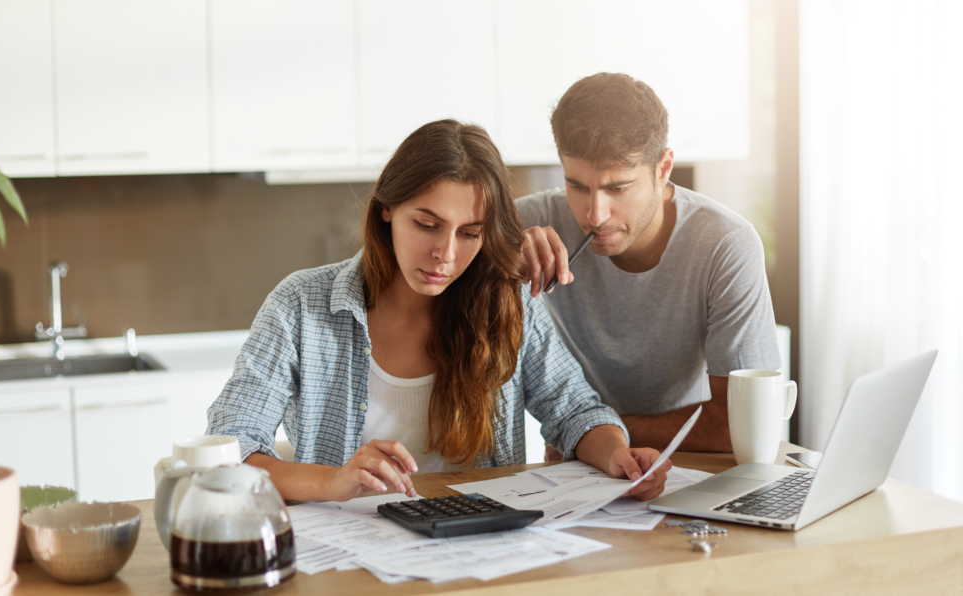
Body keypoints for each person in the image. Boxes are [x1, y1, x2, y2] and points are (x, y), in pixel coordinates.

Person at [206, 119, 671, 503]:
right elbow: (227, 450)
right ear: (387, 208)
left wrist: (617, 456)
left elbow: (575, 412)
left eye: (470, 233)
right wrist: (333, 482)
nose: (445, 254)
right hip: (350, 552)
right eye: (427, 225)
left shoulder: (506, 303)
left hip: (480, 546)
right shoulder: (301, 307)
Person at [517, 73, 782, 454]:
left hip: (691, 466)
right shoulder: (532, 224)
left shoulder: (725, 244)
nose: (594, 214)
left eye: (617, 188)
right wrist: (497, 256)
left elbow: (738, 424)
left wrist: (590, 433)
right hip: (575, 475)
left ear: (663, 169)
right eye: (577, 186)